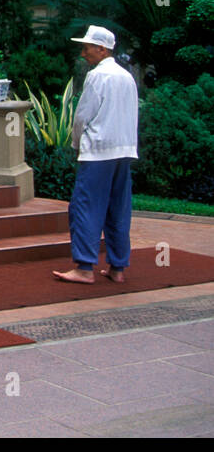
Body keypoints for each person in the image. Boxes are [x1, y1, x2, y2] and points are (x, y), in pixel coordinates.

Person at [53, 25, 139, 286]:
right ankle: (118, 267)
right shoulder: (127, 76)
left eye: (87, 47)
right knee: (118, 209)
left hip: (98, 152)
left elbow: (82, 116)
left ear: (102, 49)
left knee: (84, 207)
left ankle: (84, 267)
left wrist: (77, 143)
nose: (83, 53)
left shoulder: (97, 76)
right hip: (123, 151)